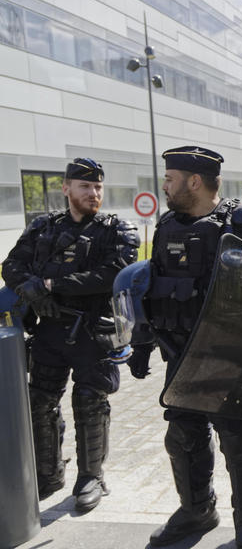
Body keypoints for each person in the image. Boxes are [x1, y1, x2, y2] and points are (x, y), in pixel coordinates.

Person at [138, 146, 242, 549]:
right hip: (180, 355)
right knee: (182, 436)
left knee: (236, 441)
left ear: (194, 182)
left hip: (231, 357)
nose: (164, 185)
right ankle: (197, 510)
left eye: (170, 179)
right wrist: (143, 343)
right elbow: (153, 287)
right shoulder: (167, 225)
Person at [1, 157, 139, 512]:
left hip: (93, 330)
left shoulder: (116, 230)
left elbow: (112, 273)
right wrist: (29, 289)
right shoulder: (43, 228)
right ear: (66, 189)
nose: (93, 193)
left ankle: (91, 476)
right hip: (48, 329)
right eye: (85, 186)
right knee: (40, 401)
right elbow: (11, 264)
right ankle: (48, 474)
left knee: (90, 402)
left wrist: (49, 283)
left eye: (97, 187)